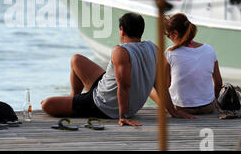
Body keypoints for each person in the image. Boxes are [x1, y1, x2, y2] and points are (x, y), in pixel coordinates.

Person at [41, 12, 194, 126]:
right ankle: (74, 99)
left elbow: (124, 87)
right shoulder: (153, 48)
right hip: (107, 89)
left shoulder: (120, 51)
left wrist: (122, 116)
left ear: (122, 30)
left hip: (102, 104)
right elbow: (159, 85)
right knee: (76, 60)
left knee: (46, 104)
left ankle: (76, 104)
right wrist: (172, 111)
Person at [160, 13, 223, 115]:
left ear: (175, 33)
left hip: (181, 108)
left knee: (153, 88)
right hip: (208, 107)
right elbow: (219, 83)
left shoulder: (169, 53)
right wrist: (213, 101)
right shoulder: (209, 50)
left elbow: (165, 86)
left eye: (168, 35)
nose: (169, 38)